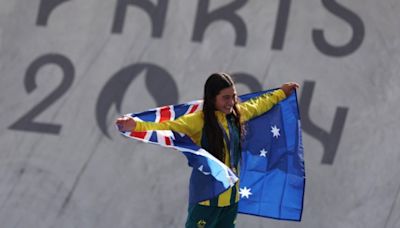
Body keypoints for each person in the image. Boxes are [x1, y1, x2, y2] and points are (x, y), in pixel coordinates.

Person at [116, 73, 299, 228]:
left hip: (231, 201)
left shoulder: (236, 114)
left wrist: (281, 93)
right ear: (212, 98)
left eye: (233, 96)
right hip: (206, 200)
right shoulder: (198, 120)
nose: (231, 102)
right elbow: (167, 126)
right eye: (225, 97)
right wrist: (136, 125)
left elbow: (259, 105)